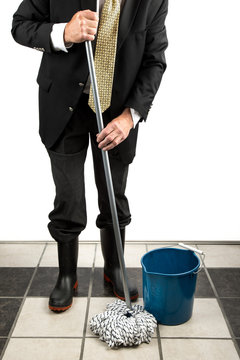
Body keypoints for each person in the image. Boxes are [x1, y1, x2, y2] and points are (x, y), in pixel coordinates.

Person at [11, 0, 168, 312]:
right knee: (68, 197)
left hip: (117, 113)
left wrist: (130, 116)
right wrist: (63, 33)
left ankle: (114, 269)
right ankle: (67, 275)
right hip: (63, 106)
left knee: (114, 194)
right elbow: (20, 25)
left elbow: (154, 60)